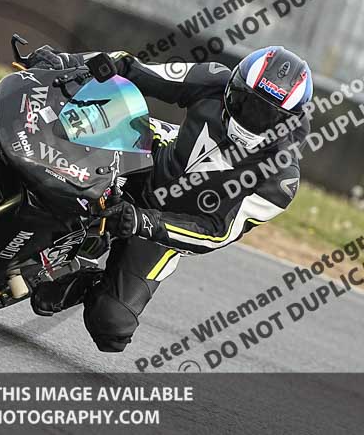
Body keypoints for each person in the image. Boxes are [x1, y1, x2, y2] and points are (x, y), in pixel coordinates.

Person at [24, 45, 313, 352]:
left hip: (164, 228)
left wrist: (145, 222)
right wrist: (67, 61)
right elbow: (132, 68)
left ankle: (87, 282)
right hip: (149, 161)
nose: (250, 118)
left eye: (266, 115)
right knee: (75, 124)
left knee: (112, 328)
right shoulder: (213, 79)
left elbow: (215, 232)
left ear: (287, 122)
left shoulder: (280, 181)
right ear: (233, 85)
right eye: (245, 102)